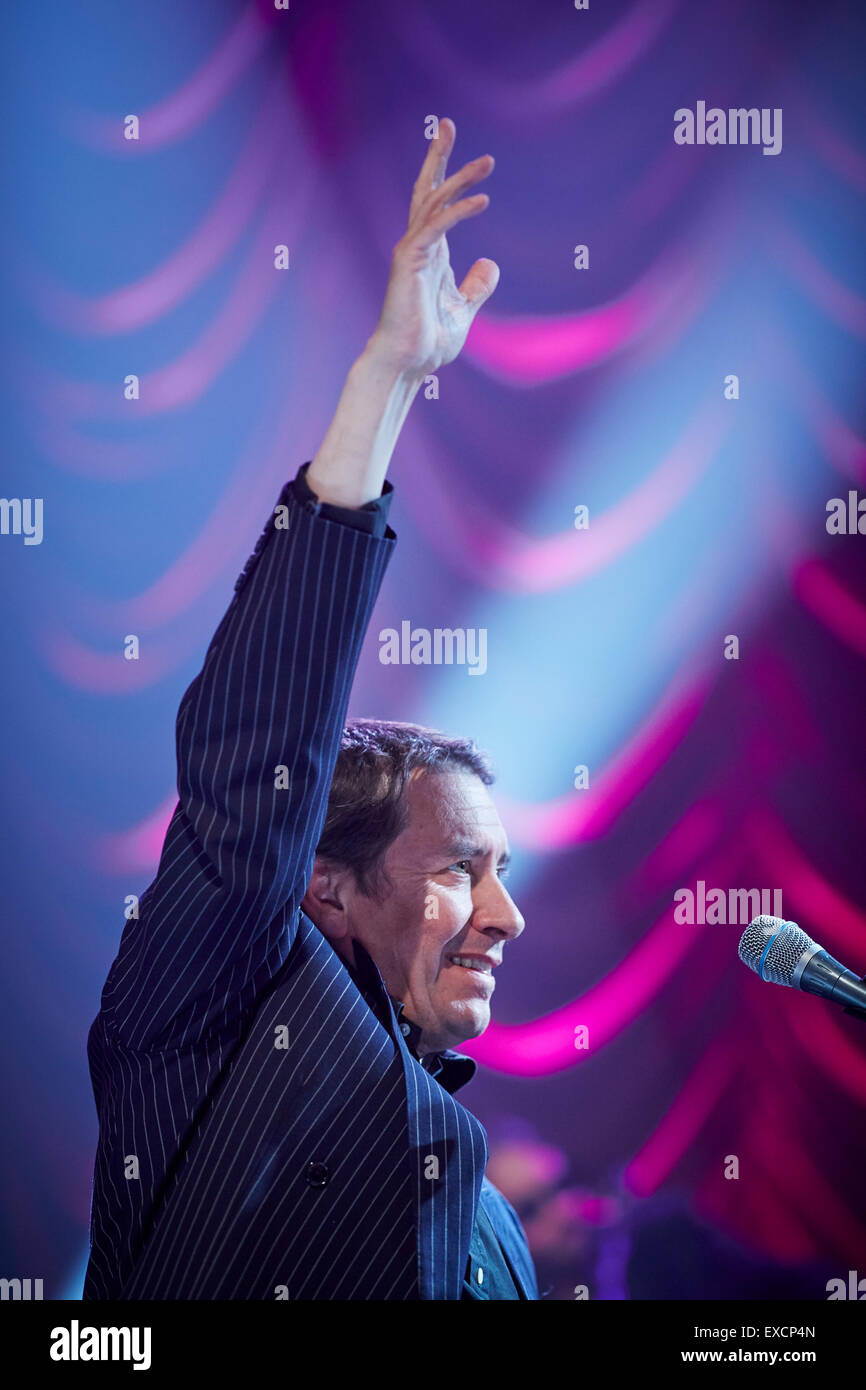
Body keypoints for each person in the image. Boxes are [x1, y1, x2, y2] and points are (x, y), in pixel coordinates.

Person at [83, 117, 538, 1301]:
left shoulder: (491, 1224)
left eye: (497, 873)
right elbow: (254, 770)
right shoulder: (218, 1017)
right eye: (458, 867)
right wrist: (383, 383)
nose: (505, 916)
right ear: (325, 884)